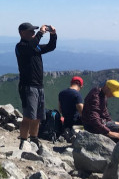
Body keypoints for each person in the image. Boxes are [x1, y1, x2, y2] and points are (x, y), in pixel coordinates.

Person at [15, 22, 57, 154]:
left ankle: (33, 138)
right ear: (22, 33)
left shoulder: (36, 47)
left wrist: (53, 35)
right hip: (28, 86)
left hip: (39, 85)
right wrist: (40, 34)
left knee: (38, 116)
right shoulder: (21, 46)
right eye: (31, 31)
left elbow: (51, 47)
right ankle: (23, 140)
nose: (33, 33)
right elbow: (29, 47)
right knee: (28, 116)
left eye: (34, 31)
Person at [82, 79, 119, 156]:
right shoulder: (96, 97)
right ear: (107, 88)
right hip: (93, 127)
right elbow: (94, 120)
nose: (113, 95)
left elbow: (104, 113)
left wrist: (112, 122)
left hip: (100, 122)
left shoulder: (101, 94)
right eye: (112, 93)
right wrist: (109, 133)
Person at [58, 76, 84, 141]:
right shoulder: (77, 95)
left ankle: (67, 132)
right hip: (76, 122)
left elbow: (60, 110)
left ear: (71, 83)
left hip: (66, 122)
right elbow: (82, 112)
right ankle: (75, 133)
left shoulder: (61, 93)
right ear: (81, 86)